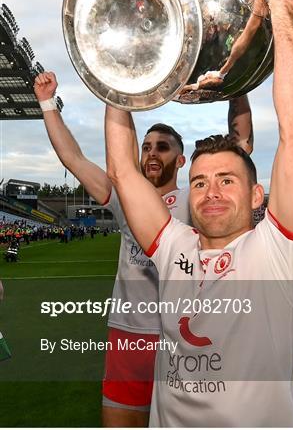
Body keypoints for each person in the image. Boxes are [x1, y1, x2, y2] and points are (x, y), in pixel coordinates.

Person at [105, 0, 293, 426]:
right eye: (200, 182)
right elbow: (123, 170)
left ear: (258, 196)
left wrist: (283, 13)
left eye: (227, 180)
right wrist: (117, 66)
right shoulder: (173, 248)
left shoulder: (279, 253)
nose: (211, 191)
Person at [34, 72, 253, 427]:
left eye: (162, 147)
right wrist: (47, 103)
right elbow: (73, 159)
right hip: (127, 334)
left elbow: (240, 149)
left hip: (184, 339)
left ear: (181, 161)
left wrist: (236, 88)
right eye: (147, 146)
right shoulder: (126, 200)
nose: (151, 153)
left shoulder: (197, 199)